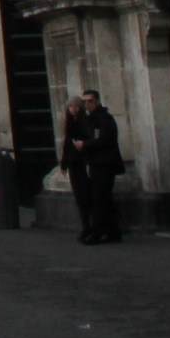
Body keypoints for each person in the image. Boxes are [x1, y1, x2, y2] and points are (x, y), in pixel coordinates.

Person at [64, 89, 124, 244]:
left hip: (104, 163)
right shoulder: (90, 120)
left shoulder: (104, 119)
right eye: (84, 101)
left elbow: (105, 140)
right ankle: (113, 231)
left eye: (90, 101)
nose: (87, 104)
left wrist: (85, 144)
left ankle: (96, 233)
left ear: (97, 101)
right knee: (104, 199)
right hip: (95, 163)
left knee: (99, 199)